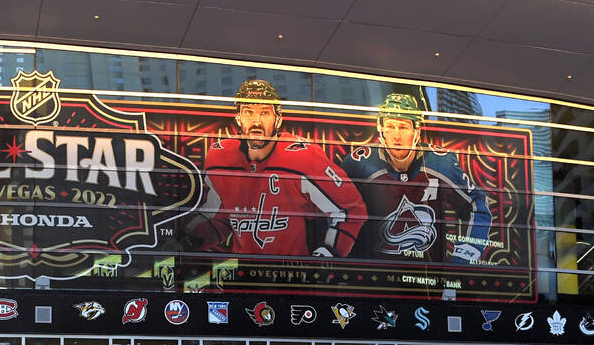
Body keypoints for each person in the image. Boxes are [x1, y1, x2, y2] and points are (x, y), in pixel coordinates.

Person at [195, 79, 366, 258]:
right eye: (248, 112)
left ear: (278, 119)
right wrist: (192, 238)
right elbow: (216, 217)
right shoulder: (219, 156)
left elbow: (351, 209)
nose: (256, 121)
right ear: (238, 118)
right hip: (241, 273)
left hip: (289, 273)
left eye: (265, 113)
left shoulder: (302, 156)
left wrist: (326, 254)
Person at [341, 92, 492, 263]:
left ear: (416, 131)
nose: (396, 135)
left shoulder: (440, 163)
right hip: (373, 275)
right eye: (390, 126)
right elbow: (338, 210)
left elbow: (476, 206)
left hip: (427, 277)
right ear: (381, 128)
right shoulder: (359, 163)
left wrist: (464, 257)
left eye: (403, 127)